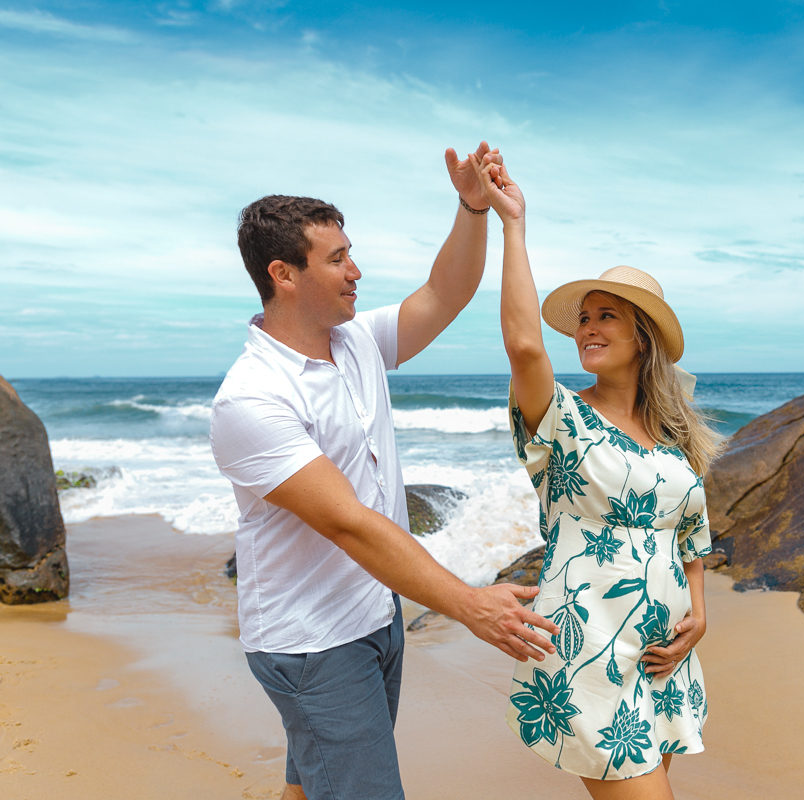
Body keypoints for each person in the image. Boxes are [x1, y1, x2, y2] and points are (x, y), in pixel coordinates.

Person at [209, 142, 559, 800]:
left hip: (372, 615)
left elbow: (446, 293)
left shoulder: (357, 340)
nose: (355, 271)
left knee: (313, 786)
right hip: (314, 641)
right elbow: (349, 523)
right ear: (283, 274)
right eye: (337, 259)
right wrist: (468, 603)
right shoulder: (253, 398)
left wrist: (472, 206)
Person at [473, 155, 725, 799]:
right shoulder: (562, 419)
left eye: (605, 315)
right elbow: (526, 345)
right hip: (590, 657)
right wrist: (513, 226)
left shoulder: (676, 438)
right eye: (584, 317)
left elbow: (690, 537)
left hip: (666, 658)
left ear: (642, 337)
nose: (587, 326)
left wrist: (699, 615)